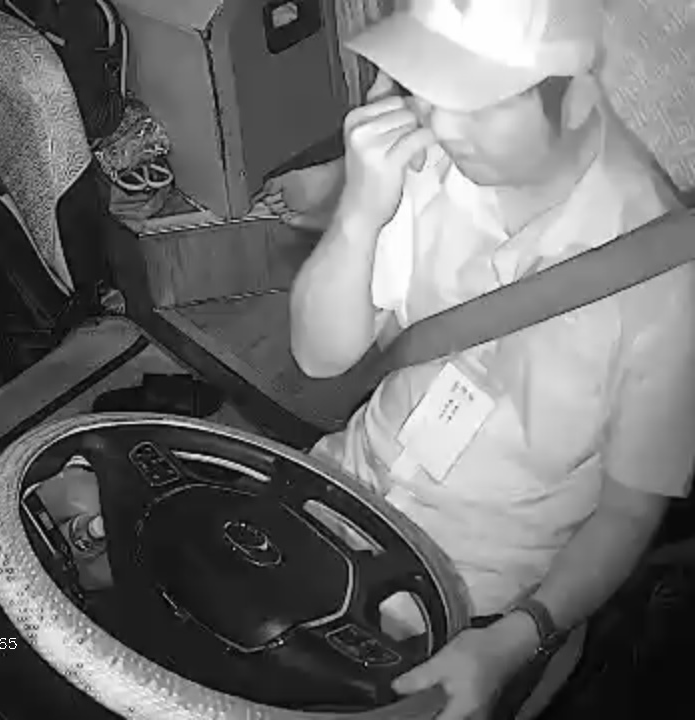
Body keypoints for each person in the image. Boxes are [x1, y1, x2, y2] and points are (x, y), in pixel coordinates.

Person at [289, 0, 695, 718]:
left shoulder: (664, 279)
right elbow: (320, 357)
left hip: (476, 596)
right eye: (429, 87)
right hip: (335, 489)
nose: (443, 125)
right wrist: (359, 213)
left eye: (479, 102)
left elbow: (628, 515)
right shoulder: (428, 164)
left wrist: (511, 645)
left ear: (577, 96)